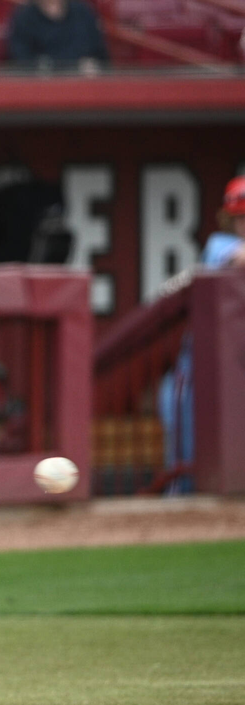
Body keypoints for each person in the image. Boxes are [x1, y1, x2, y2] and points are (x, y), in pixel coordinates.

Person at [154, 176, 245, 494]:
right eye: (241, 219)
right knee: (188, 470)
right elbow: (238, 257)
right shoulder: (220, 247)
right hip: (199, 376)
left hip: (236, 374)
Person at [6, 0, 109, 72]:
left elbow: (101, 57)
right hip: (43, 91)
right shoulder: (23, 18)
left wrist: (95, 67)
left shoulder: (83, 12)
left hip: (84, 87)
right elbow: (22, 62)